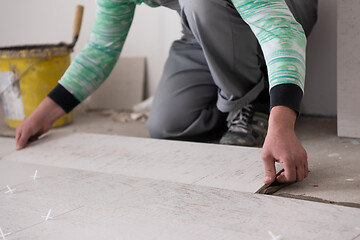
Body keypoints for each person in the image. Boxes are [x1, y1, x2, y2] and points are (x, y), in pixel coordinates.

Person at [15, 0, 318, 184]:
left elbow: (279, 29)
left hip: (281, 11)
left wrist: (282, 124)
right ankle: (249, 83)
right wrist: (44, 114)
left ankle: (259, 103)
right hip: (208, 25)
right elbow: (101, 49)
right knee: (168, 124)